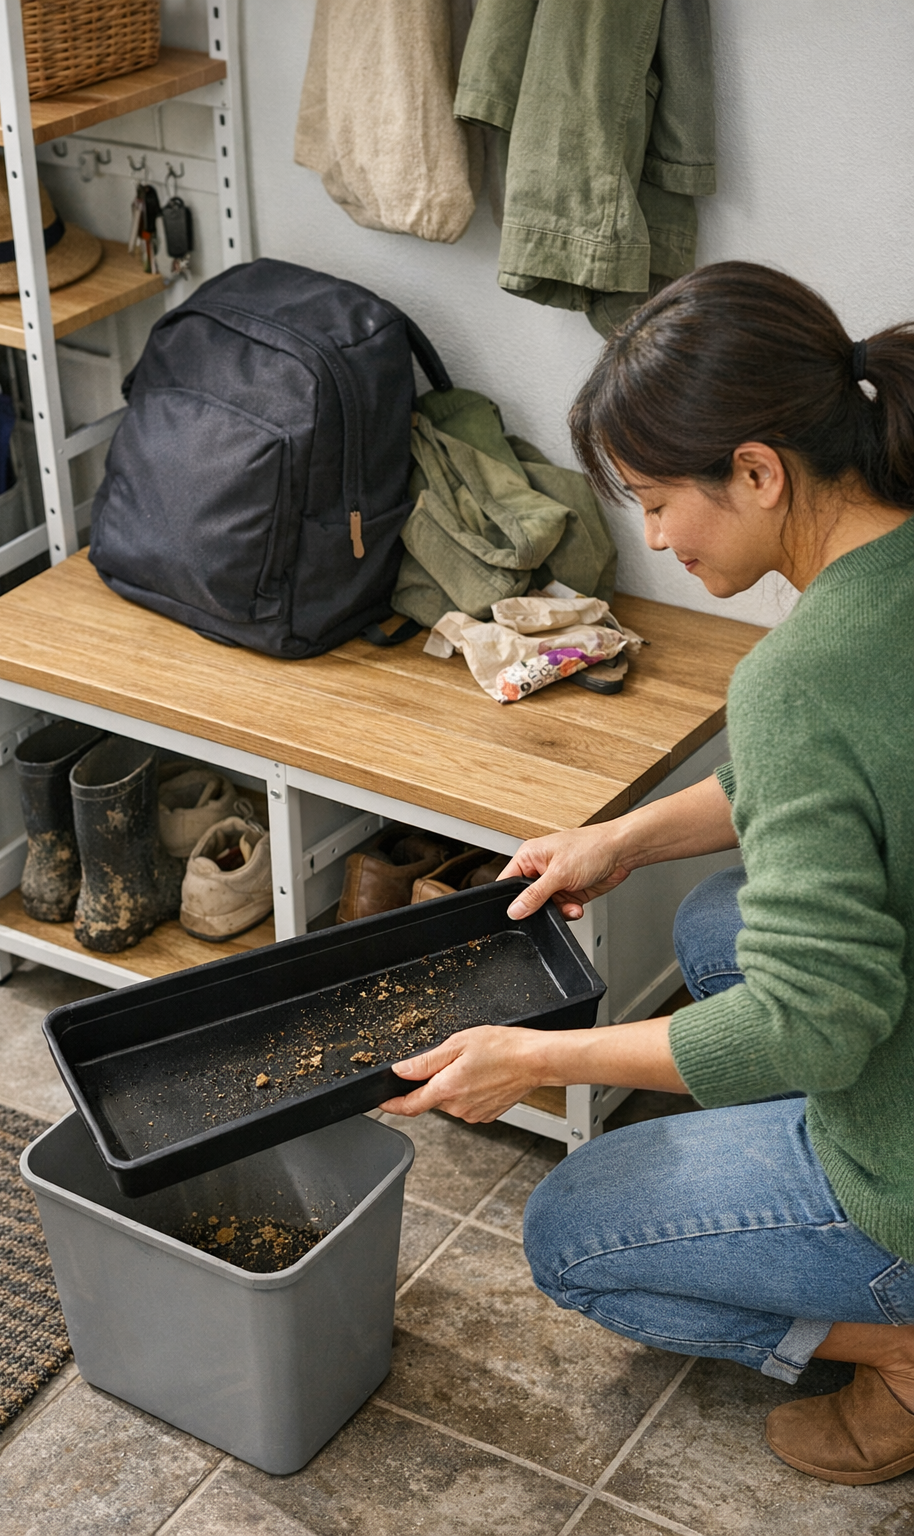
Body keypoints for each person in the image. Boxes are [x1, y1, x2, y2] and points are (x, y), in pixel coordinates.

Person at [380, 261, 914, 1485]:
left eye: (656, 501)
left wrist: (538, 1056)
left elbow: (813, 1029)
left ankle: (899, 1338)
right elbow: (849, 783)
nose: (658, 541)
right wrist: (618, 840)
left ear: (758, 471)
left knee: (572, 1232)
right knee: (720, 924)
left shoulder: (800, 673)